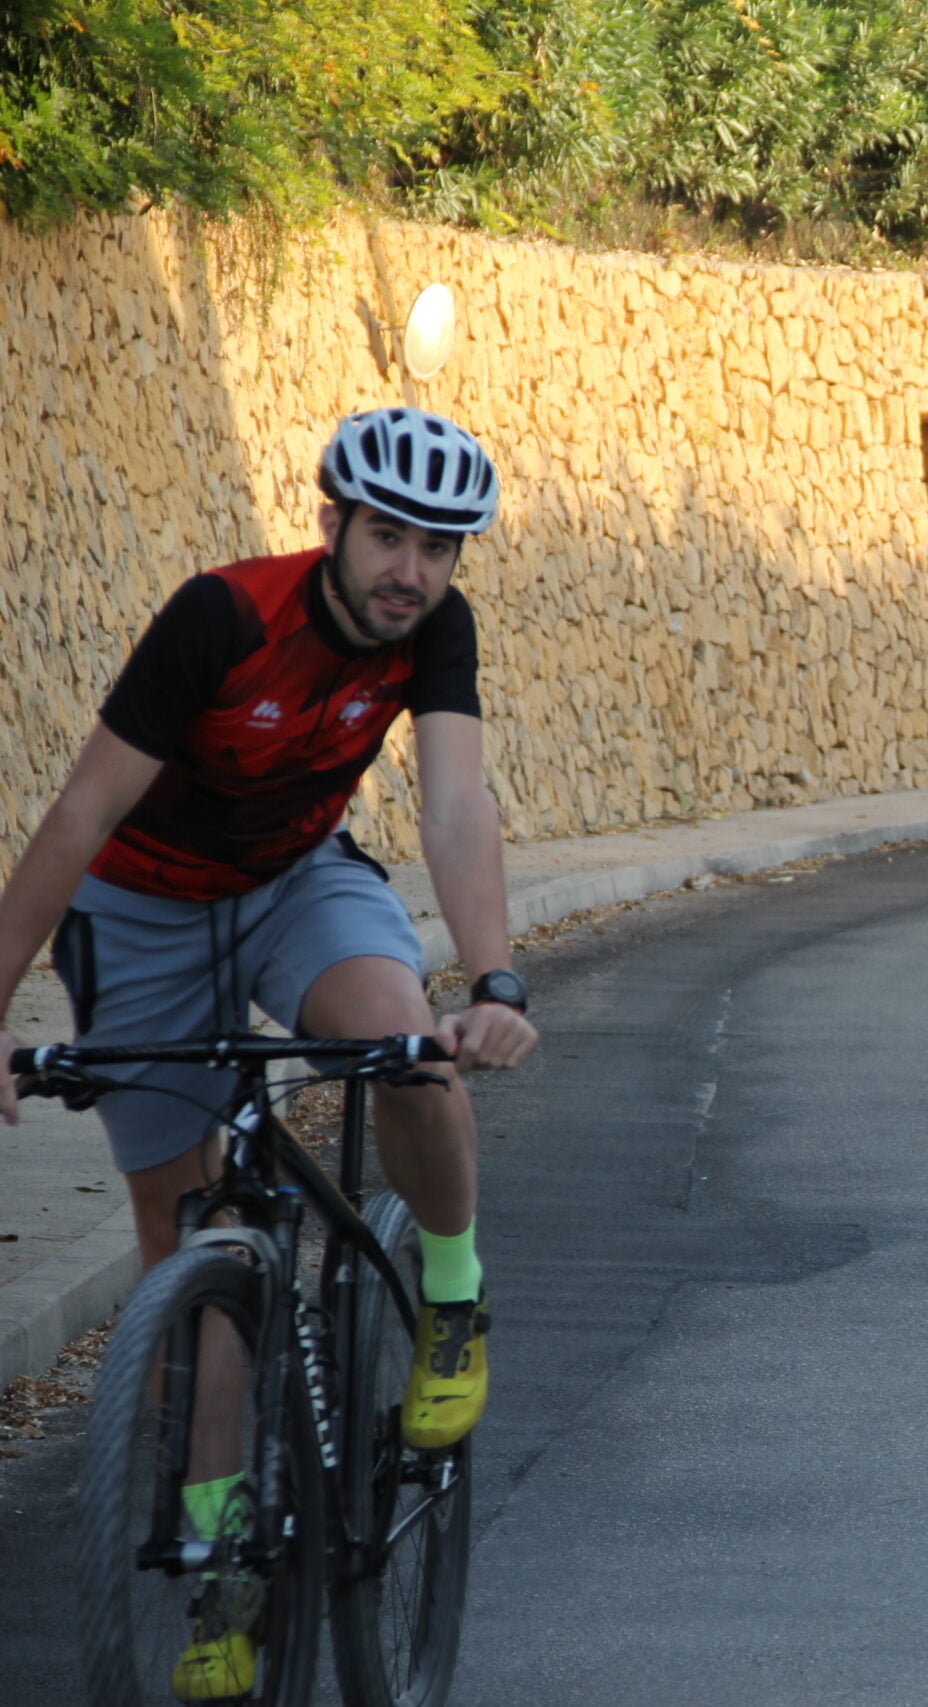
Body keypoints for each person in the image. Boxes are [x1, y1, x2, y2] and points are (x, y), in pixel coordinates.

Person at [0, 407, 537, 1696]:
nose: (412, 569)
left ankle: (452, 1303)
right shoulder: (222, 620)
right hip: (138, 911)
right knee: (190, 1260)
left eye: (439, 547)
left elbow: (455, 798)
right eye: (390, 535)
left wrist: (495, 978)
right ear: (333, 528)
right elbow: (80, 811)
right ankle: (221, 1581)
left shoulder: (437, 635)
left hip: (298, 881)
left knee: (409, 1049)